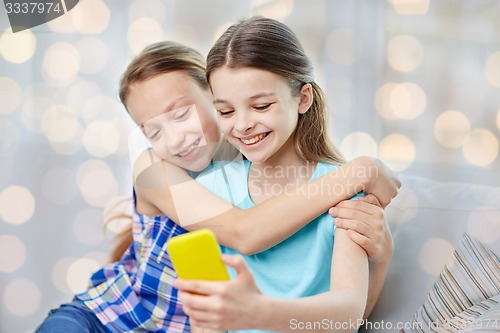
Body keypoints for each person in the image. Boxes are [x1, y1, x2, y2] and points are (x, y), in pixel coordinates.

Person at [35, 40, 398, 333]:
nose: (176, 140)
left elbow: (348, 314)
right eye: (152, 131)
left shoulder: (245, 164)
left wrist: (380, 255)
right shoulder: (155, 168)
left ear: (212, 95)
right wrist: (359, 171)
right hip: (106, 319)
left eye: (181, 114)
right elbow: (245, 231)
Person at [174, 16, 392, 333]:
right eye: (226, 111)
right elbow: (206, 322)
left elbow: (348, 313)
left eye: (261, 106)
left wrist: (257, 312)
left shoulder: (345, 191)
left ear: (303, 99)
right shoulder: (210, 190)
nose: (242, 124)